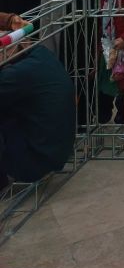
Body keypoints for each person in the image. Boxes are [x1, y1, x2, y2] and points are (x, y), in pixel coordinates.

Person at [0, 10, 76, 186]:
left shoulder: (16, 75)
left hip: (33, 162)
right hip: (54, 153)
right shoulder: (40, 54)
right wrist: (10, 20)